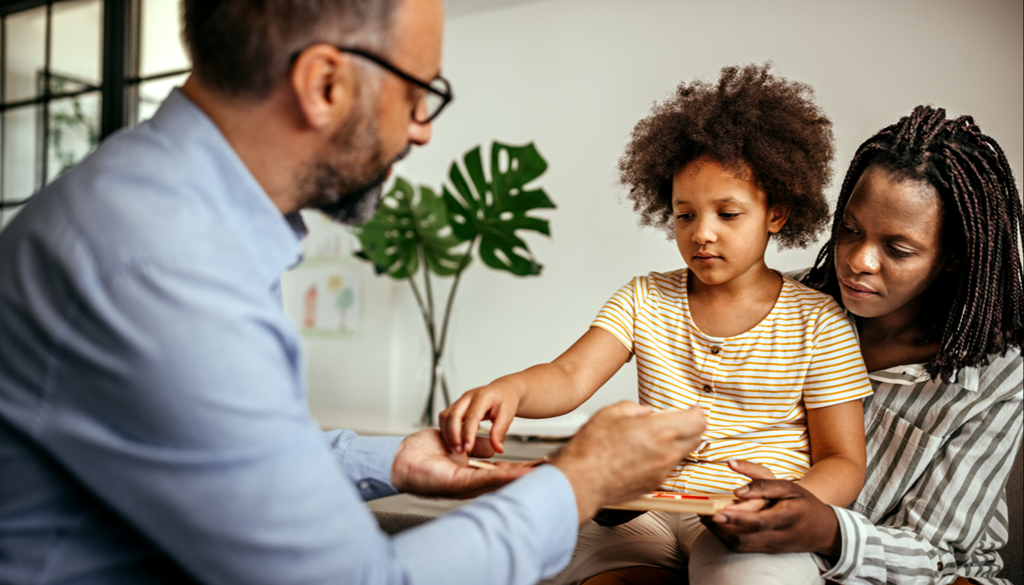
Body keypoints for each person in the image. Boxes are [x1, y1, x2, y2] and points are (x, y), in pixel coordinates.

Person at [0, 1, 707, 584]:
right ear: (325, 84)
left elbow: (239, 463)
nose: (423, 131)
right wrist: (579, 481)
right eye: (417, 95)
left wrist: (396, 461)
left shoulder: (170, 211)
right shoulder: (164, 263)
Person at [439, 64, 873, 585]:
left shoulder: (818, 321)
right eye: (685, 214)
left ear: (776, 213)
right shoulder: (645, 297)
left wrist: (796, 503)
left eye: (727, 214)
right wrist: (509, 390)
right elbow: (571, 376)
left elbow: (843, 459)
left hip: (746, 520)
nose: (702, 234)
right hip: (643, 511)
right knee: (535, 556)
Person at [700, 105, 1024, 585]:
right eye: (850, 230)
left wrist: (830, 531)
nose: (859, 261)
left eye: (898, 248)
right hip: (765, 546)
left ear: (954, 256)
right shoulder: (783, 305)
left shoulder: (997, 372)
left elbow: (935, 551)